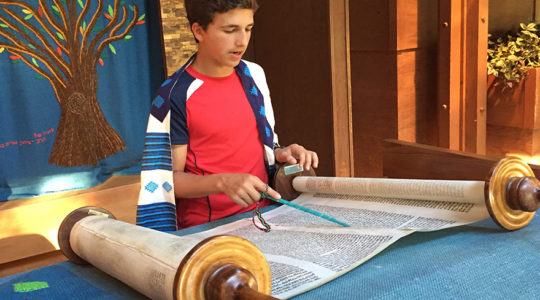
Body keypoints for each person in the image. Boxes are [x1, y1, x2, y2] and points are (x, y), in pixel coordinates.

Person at [137, 0, 318, 230]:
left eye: (248, 28)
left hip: (266, 215)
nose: (242, 41)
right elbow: (167, 179)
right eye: (230, 30)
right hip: (208, 228)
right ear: (198, 31)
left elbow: (261, 145)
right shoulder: (175, 95)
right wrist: (223, 182)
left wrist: (282, 153)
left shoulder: (253, 75)